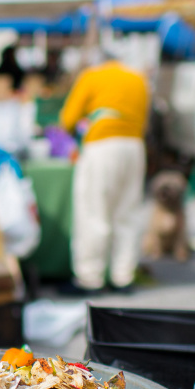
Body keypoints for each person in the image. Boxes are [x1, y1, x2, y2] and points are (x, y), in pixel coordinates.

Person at [58, 52, 152, 294]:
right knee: (127, 214)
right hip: (134, 146)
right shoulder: (138, 78)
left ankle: (90, 278)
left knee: (94, 212)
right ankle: (123, 276)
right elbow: (146, 120)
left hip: (102, 145)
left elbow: (67, 119)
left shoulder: (92, 76)